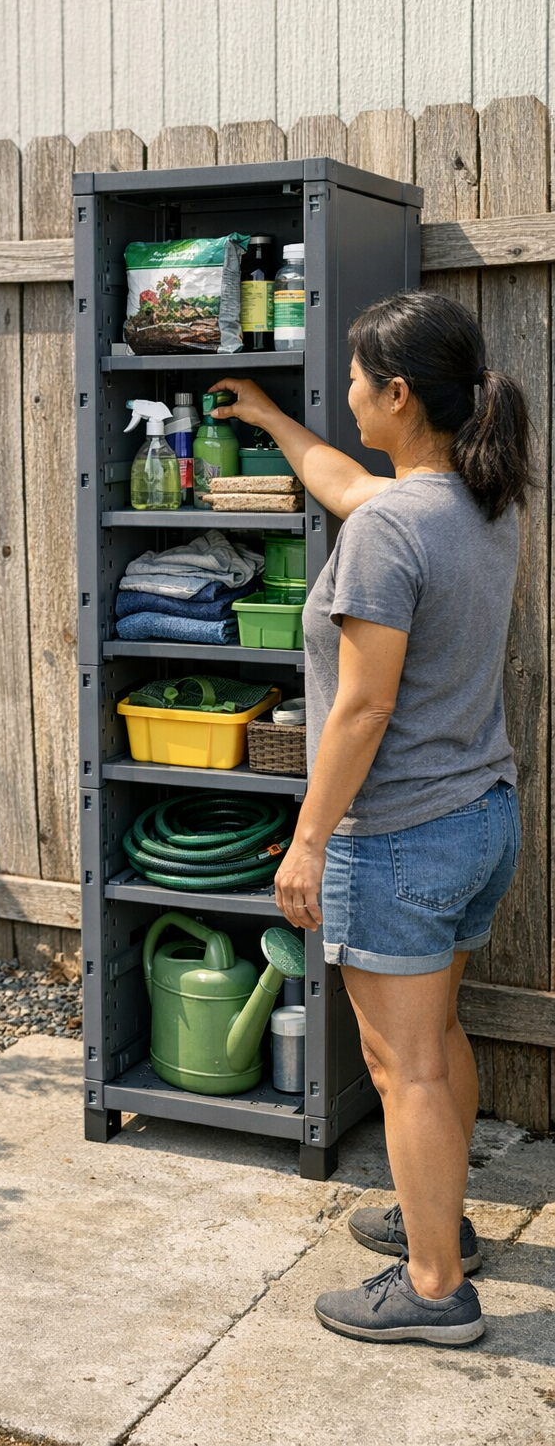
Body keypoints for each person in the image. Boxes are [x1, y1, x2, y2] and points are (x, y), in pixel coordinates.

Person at [209, 289, 530, 1345]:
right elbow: (348, 484)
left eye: (352, 378)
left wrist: (307, 841)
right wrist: (268, 419)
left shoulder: (393, 531)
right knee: (434, 1037)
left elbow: (362, 705)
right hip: (477, 815)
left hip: (395, 837)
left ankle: (434, 1290)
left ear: (397, 393)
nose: (342, 392)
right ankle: (446, 1227)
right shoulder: (480, 501)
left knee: (406, 1067)